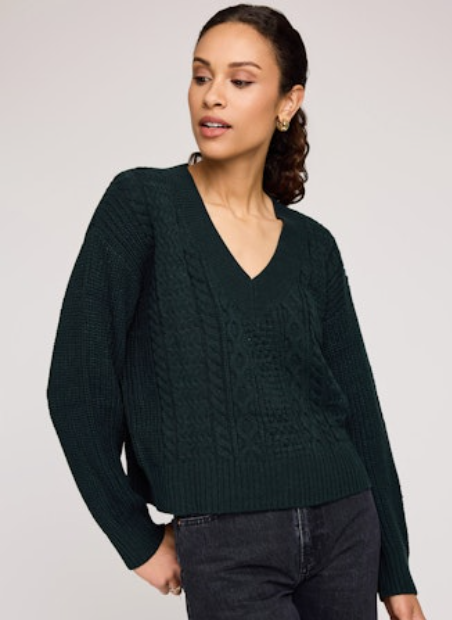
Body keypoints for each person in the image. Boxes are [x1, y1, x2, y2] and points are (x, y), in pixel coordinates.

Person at [47, 4, 427, 619]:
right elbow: (77, 386)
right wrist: (134, 537)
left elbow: (360, 410)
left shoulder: (314, 246)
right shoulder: (142, 205)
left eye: (240, 80)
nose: (213, 95)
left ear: (287, 102)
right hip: (224, 542)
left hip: (346, 526)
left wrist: (397, 574)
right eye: (201, 76)